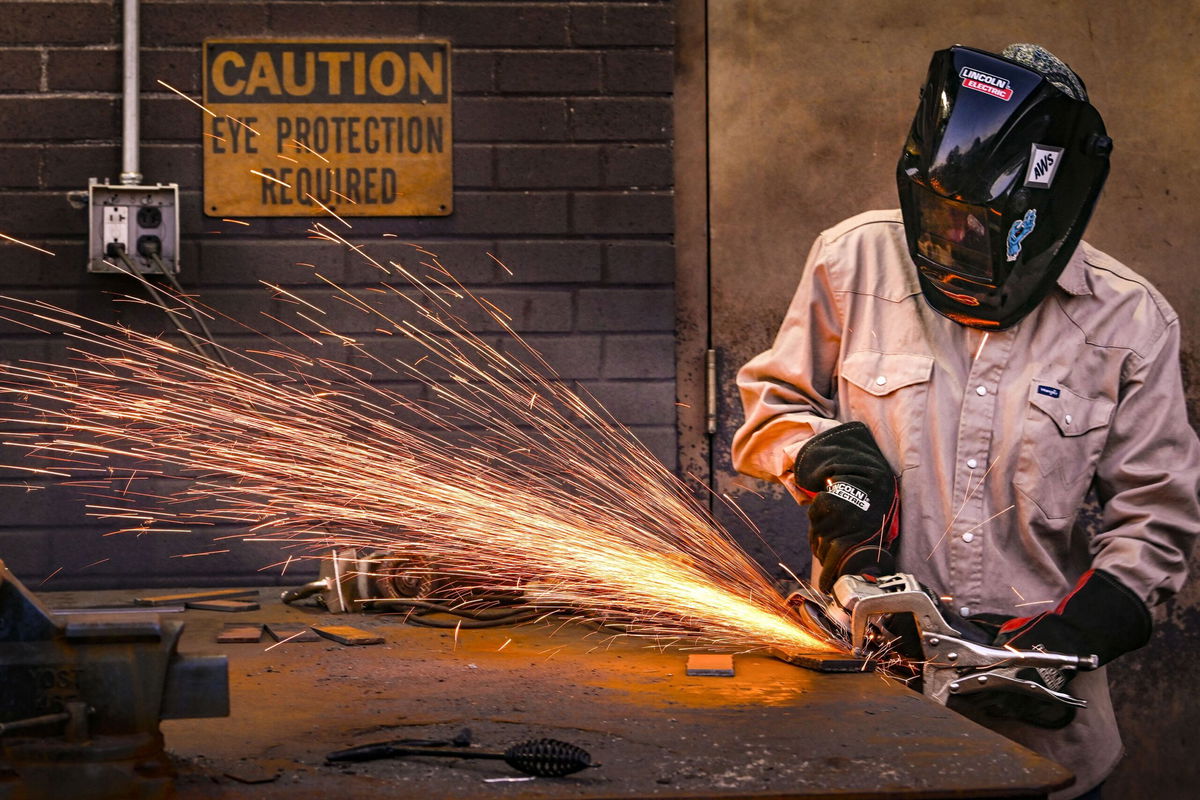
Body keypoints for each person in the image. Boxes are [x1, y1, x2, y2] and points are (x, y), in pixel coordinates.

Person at [731, 43, 1200, 799]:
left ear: (1045, 209)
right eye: (938, 215)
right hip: (863, 706)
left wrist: (1069, 641)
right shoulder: (852, 262)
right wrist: (830, 466)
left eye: (976, 225)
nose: (949, 242)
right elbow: (769, 413)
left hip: (1042, 727)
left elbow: (1159, 521)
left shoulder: (1130, 321)